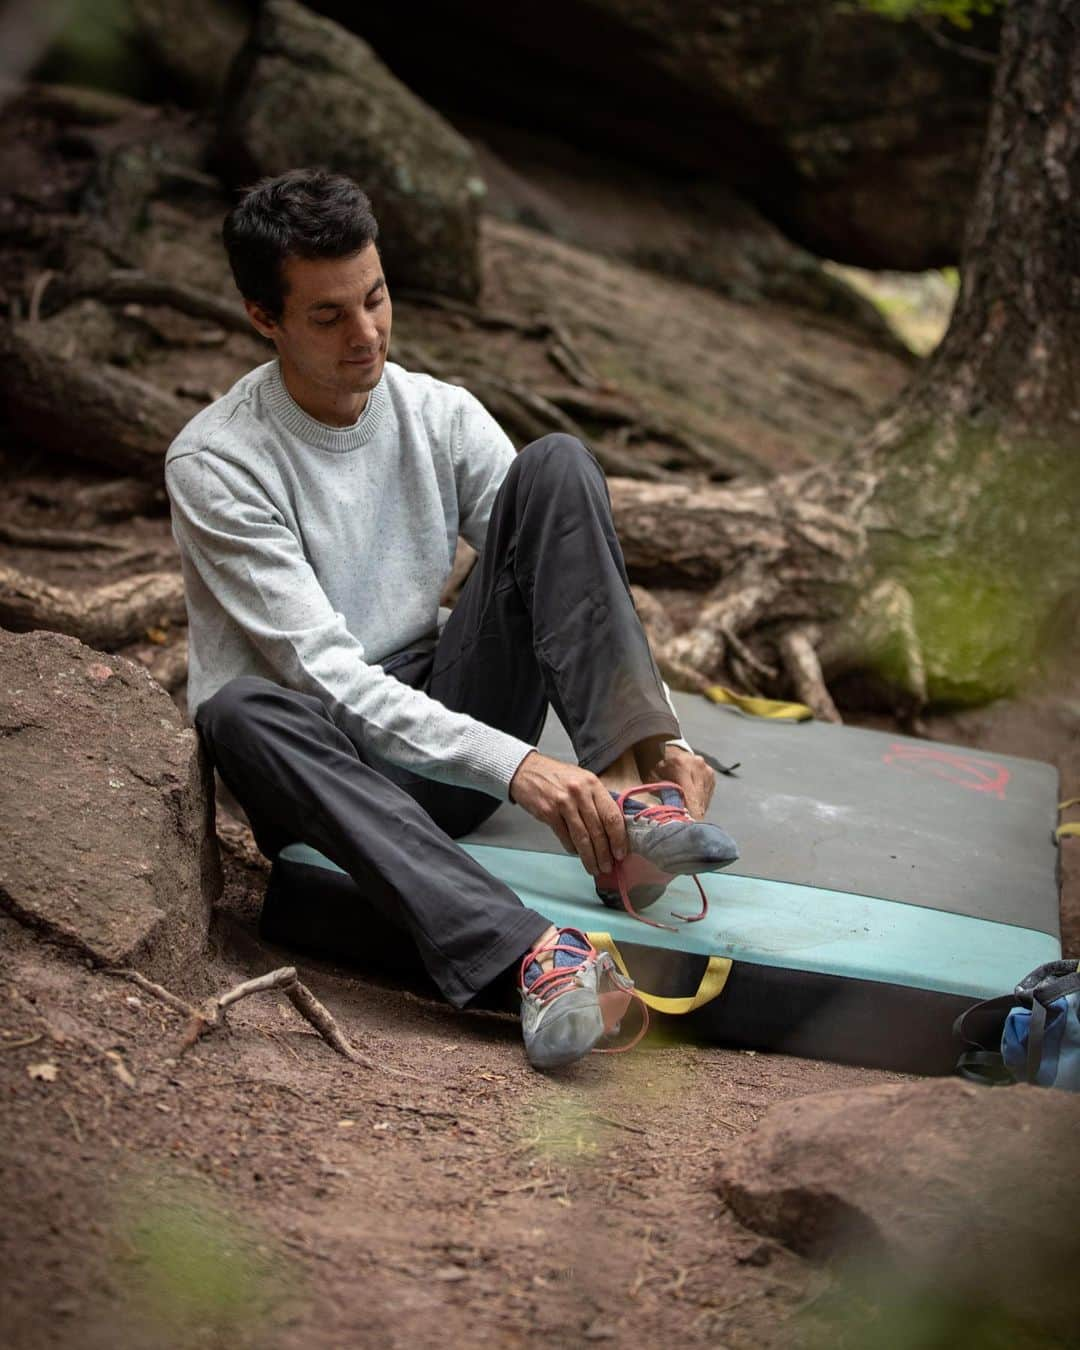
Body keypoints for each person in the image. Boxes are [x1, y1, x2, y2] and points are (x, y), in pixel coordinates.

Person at [165, 168, 738, 1071]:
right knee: (239, 710)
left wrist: (666, 728)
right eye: (328, 317)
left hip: (446, 711)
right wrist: (521, 769)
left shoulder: (438, 411)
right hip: (330, 774)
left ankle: (638, 797)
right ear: (262, 318)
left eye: (377, 298)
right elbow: (328, 678)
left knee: (554, 468)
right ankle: (538, 958)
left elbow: (569, 569)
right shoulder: (216, 463)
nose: (367, 335)